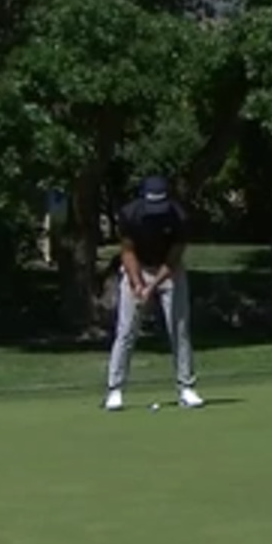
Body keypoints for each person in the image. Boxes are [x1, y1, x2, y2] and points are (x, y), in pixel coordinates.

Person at [105, 175, 205, 411]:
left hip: (170, 271)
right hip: (137, 267)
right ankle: (115, 390)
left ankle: (186, 388)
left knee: (179, 330)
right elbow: (127, 252)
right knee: (126, 331)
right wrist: (137, 284)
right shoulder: (130, 215)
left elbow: (173, 260)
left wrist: (152, 286)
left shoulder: (179, 217)